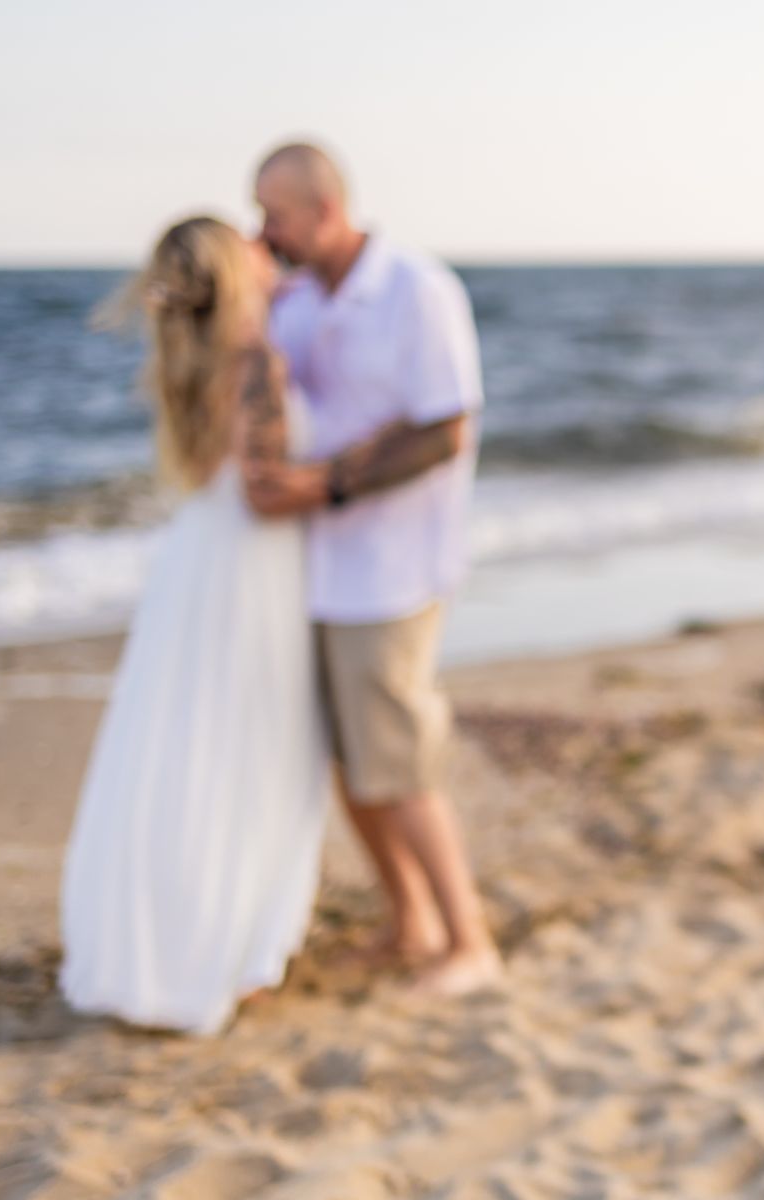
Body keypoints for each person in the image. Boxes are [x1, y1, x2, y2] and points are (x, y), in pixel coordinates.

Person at [59, 216, 330, 1035]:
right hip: (253, 571)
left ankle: (170, 942)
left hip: (196, 568)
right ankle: (226, 952)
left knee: (175, 752)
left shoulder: (185, 359)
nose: (263, 239)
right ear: (234, 273)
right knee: (250, 758)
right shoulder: (256, 360)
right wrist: (365, 469)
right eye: (247, 240)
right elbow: (266, 489)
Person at [245, 142, 502, 996]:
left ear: (324, 210)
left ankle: (470, 941)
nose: (264, 230)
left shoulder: (415, 291)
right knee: (350, 765)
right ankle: (409, 921)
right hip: (310, 569)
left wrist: (324, 484)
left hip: (393, 570)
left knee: (398, 760)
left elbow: (444, 430)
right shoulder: (292, 299)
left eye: (274, 214)